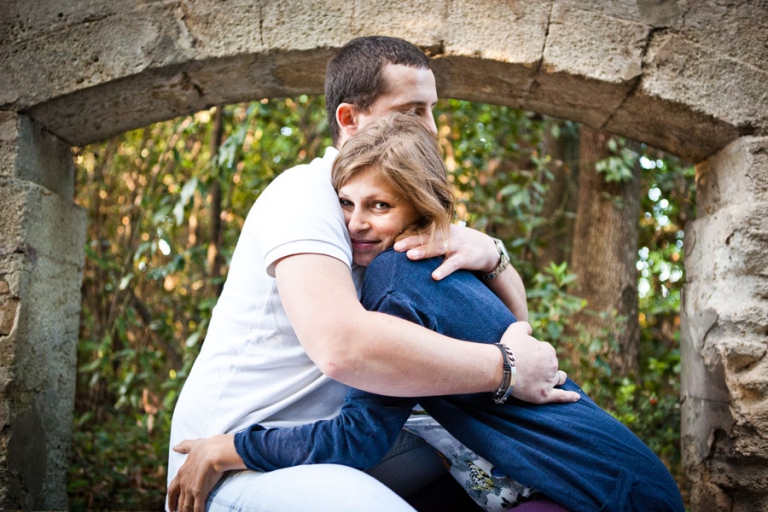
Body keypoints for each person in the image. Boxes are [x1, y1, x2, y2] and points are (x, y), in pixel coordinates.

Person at [173, 113, 685, 512]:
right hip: (611, 478)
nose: (355, 224)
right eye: (347, 204)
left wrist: (228, 448)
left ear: (419, 209)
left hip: (599, 492)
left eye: (380, 206)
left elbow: (357, 438)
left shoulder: (397, 281)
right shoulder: (437, 266)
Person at [167, 36, 578, 512]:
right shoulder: (305, 192)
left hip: (339, 444)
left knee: (515, 474)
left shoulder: (398, 211)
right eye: (413, 110)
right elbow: (342, 348)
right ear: (349, 119)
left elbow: (504, 326)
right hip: (232, 458)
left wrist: (494, 256)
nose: (432, 128)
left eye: (432, 110)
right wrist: (504, 369)